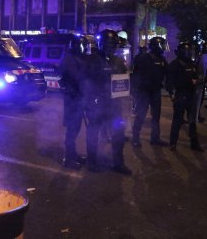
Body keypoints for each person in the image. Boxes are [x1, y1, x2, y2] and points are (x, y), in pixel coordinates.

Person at [87, 29, 131, 175]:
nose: (110, 47)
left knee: (118, 134)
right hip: (97, 104)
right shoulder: (92, 60)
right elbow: (86, 82)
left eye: (112, 44)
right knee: (93, 133)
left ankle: (118, 163)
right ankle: (91, 161)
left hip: (114, 105)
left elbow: (124, 79)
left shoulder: (118, 61)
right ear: (101, 44)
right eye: (107, 43)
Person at [166, 42, 204, 152]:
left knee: (192, 121)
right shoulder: (174, 64)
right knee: (177, 120)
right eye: (188, 51)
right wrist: (172, 94)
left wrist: (197, 80)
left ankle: (194, 143)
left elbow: (196, 76)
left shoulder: (192, 64)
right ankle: (173, 143)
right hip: (181, 94)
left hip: (191, 95)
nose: (189, 53)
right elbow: (170, 82)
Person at [59, 34, 89, 170]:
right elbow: (76, 77)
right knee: (72, 129)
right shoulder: (70, 58)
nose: (83, 48)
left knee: (76, 129)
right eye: (80, 45)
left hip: (79, 97)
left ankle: (73, 154)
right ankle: (68, 159)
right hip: (73, 98)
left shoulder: (79, 58)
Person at [132, 37, 168, 148]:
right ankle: (135, 137)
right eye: (161, 45)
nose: (162, 48)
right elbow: (136, 74)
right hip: (144, 91)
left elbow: (167, 72)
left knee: (156, 116)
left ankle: (155, 138)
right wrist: (136, 90)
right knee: (141, 115)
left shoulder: (162, 59)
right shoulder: (144, 58)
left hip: (155, 90)